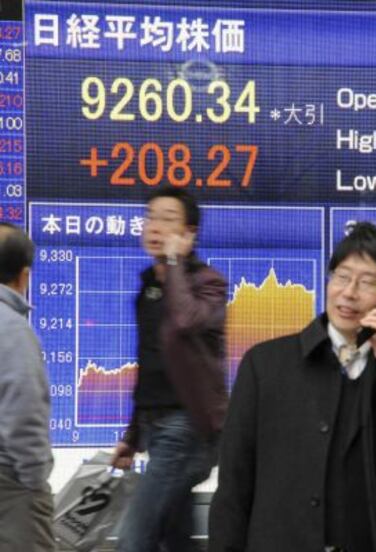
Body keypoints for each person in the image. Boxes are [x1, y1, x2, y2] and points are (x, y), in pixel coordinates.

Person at [209, 222, 376, 552]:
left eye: (368, 282)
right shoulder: (265, 365)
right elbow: (234, 484)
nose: (349, 292)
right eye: (343, 276)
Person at [112, 187, 228, 552]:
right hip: (155, 427)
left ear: (190, 233)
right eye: (150, 217)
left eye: (167, 219)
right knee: (174, 539)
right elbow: (151, 367)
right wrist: (132, 437)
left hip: (187, 429)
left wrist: (176, 264)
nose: (154, 226)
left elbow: (185, 321)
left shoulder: (209, 283)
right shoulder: (148, 286)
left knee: (133, 538)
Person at [0, 223, 55, 551]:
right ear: (24, 276)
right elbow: (24, 413)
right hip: (11, 487)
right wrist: (35, 481)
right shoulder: (13, 330)